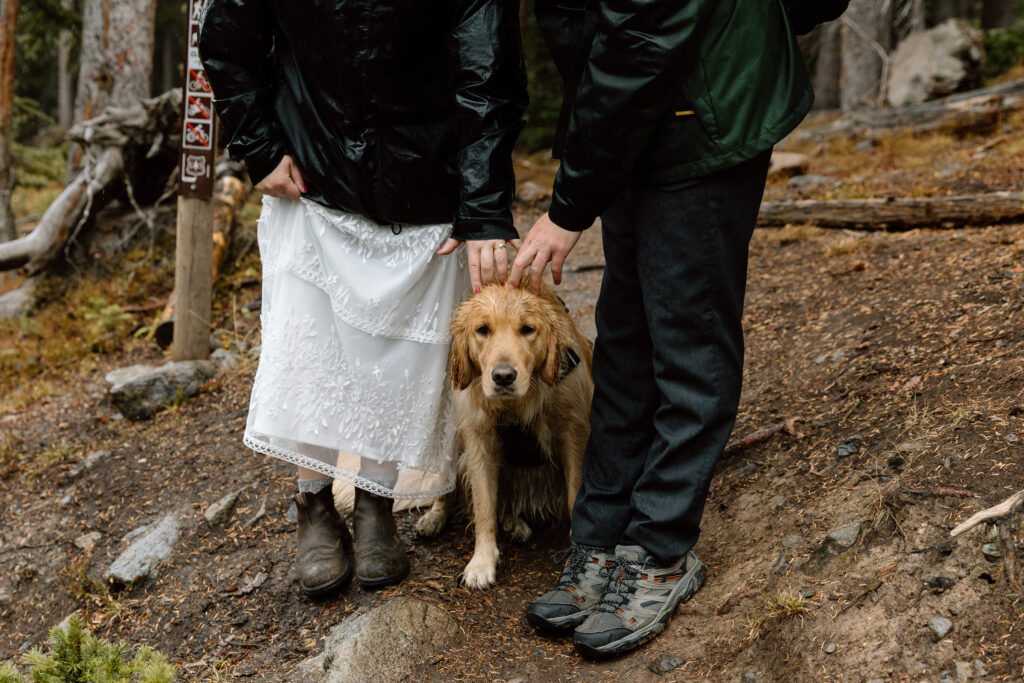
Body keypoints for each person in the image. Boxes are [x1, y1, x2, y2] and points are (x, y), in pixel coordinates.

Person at [510, 0, 814, 657]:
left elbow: (643, 32)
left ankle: (659, 549)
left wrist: (568, 206)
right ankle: (604, 534)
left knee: (686, 338)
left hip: (702, 114)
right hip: (638, 116)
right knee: (626, 337)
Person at [199, 0, 527, 597]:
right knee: (312, 355)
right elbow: (227, 44)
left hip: (425, 184)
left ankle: (377, 505)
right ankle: (313, 505)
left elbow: (489, 72)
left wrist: (482, 205)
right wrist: (259, 146)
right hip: (312, 176)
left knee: (398, 363)